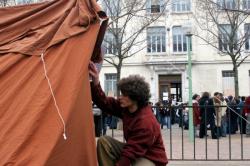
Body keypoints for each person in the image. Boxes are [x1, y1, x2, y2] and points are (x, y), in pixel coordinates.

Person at [89, 62, 168, 166]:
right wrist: (96, 82)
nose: (120, 97)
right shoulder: (126, 107)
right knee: (104, 142)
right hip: (135, 150)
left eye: (124, 95)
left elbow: (131, 153)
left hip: (151, 158)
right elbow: (104, 102)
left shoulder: (145, 121)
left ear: (135, 97)